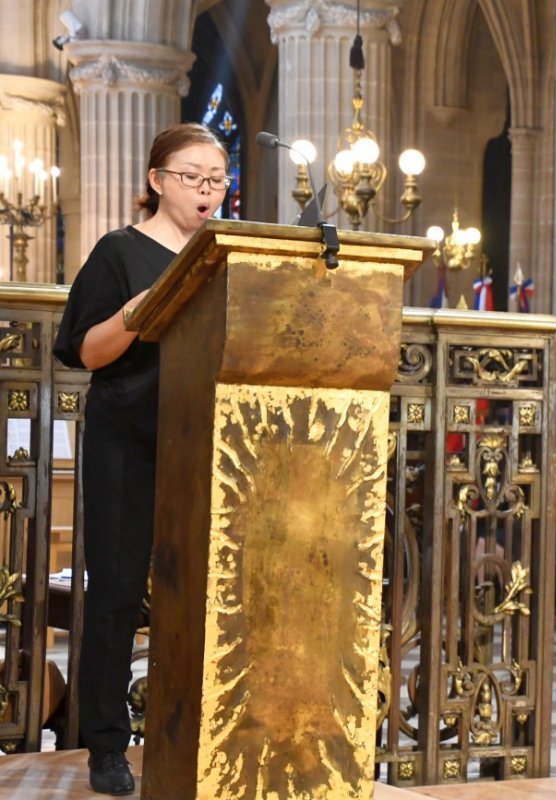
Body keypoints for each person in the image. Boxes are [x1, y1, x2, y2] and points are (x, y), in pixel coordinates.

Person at [53, 123, 228, 796]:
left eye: (216, 178)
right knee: (119, 594)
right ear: (157, 180)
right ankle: (105, 746)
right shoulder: (119, 252)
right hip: (127, 438)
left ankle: (195, 729)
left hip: (206, 439)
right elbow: (88, 352)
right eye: (193, 176)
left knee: (203, 592)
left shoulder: (222, 255)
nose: (207, 190)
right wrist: (136, 310)